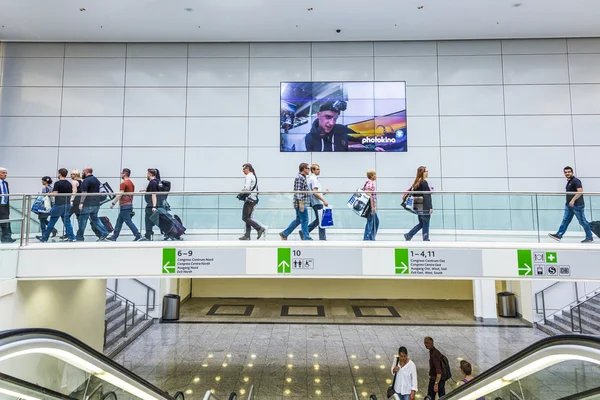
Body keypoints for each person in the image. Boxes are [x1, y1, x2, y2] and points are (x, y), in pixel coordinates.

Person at [549, 166, 594, 243]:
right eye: (566, 172)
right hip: (569, 205)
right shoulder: (569, 181)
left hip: (577, 205)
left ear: (572, 172)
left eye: (569, 172)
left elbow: (580, 191)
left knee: (582, 221)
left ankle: (589, 237)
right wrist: (569, 203)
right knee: (565, 220)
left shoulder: (576, 181)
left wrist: (573, 200)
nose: (567, 173)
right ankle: (559, 235)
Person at [38, 169, 76, 243]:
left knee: (52, 221)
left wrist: (49, 194)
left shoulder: (57, 183)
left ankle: (44, 238)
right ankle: (72, 237)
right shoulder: (69, 183)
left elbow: (55, 193)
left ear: (60, 174)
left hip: (59, 205)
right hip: (67, 204)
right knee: (67, 221)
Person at [108, 168, 143, 242]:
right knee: (119, 221)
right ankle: (114, 237)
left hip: (125, 205)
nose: (121, 174)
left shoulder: (124, 184)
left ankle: (138, 235)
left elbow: (120, 194)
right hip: (129, 204)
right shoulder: (131, 183)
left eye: (122, 173)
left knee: (128, 221)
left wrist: (113, 203)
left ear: (125, 173)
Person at [280, 163, 312, 241]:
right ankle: (306, 238)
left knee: (298, 220)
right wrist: (301, 203)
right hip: (300, 203)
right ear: (304, 169)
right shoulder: (300, 178)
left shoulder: (302, 177)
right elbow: (298, 191)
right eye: (308, 168)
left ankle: (284, 233)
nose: (309, 170)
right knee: (305, 220)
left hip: (301, 202)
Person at [76, 167, 109, 241]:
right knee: (95, 219)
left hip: (88, 203)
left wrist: (81, 202)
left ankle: (80, 237)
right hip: (96, 203)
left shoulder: (86, 180)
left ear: (86, 172)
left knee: (83, 220)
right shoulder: (96, 180)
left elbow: (84, 192)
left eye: (83, 172)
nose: (82, 173)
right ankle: (104, 232)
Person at [404, 166, 433, 242]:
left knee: (422, 223)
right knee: (426, 222)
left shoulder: (416, 182)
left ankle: (409, 235)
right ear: (422, 173)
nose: (427, 173)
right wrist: (430, 207)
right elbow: (427, 196)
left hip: (417, 204)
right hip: (424, 205)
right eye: (426, 171)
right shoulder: (424, 182)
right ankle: (425, 239)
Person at [239, 163, 265, 240]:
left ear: (248, 169)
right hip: (253, 199)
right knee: (248, 217)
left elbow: (247, 188)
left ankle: (259, 228)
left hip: (249, 199)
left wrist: (241, 192)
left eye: (244, 169)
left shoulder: (248, 176)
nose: (243, 171)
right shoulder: (253, 176)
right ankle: (247, 235)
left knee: (244, 217)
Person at [306, 164, 328, 240]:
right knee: (321, 221)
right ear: (313, 170)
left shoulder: (312, 179)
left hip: (316, 202)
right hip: (317, 202)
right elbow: (315, 193)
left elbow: (316, 192)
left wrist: (323, 192)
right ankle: (322, 238)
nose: (319, 170)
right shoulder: (313, 179)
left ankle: (305, 231)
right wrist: (324, 200)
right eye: (317, 169)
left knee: (319, 220)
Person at [143, 168, 162, 240]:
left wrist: (154, 206)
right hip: (157, 204)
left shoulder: (153, 182)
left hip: (152, 205)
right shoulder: (158, 181)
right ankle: (149, 234)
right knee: (154, 220)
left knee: (148, 220)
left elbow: (154, 194)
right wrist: (146, 190)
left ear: (150, 174)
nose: (146, 175)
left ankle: (148, 235)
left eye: (147, 174)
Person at [0, 167, 16, 243]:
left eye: (6, 173)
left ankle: (6, 237)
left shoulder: (5, 183)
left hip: (4, 205)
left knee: (5, 221)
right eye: (3, 173)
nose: (5, 174)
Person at [363, 170, 379, 241]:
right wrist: (372, 206)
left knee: (375, 221)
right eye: (374, 174)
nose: (376, 176)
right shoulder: (370, 183)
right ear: (372, 176)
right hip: (370, 205)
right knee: (371, 221)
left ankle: (370, 237)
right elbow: (368, 193)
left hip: (370, 205)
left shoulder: (369, 182)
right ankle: (367, 238)